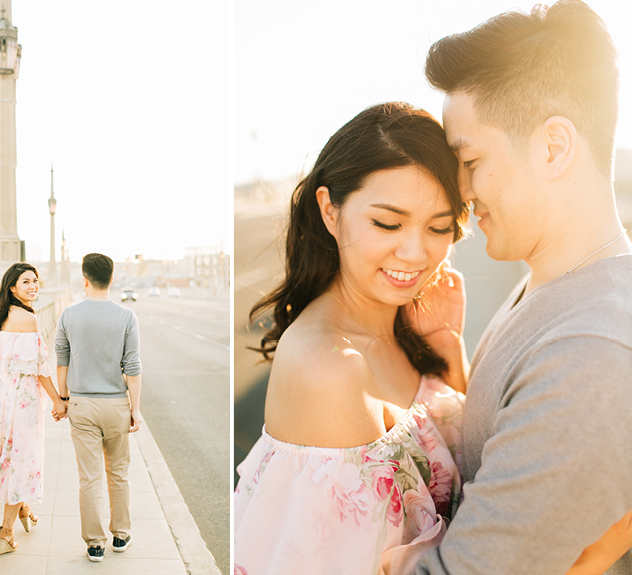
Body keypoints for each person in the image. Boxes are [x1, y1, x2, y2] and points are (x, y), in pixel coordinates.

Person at [412, 1, 632, 573]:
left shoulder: (592, 351)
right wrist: (451, 361)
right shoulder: (551, 280)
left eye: (470, 160)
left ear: (554, 147)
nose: (460, 191)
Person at [234, 102, 472, 575]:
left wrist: (447, 350)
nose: (415, 252)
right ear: (330, 210)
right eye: (387, 223)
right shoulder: (329, 367)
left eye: (439, 227)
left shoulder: (407, 322)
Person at [55, 253, 143, 563]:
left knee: (89, 478)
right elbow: (132, 367)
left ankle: (95, 543)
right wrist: (136, 408)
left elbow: (62, 361)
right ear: (111, 278)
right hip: (116, 404)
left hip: (82, 404)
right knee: (118, 473)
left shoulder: (68, 315)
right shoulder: (126, 317)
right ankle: (120, 535)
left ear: (85, 279)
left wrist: (64, 400)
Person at [0, 263, 68, 554]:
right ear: (12, 287)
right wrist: (57, 400)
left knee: (8, 452)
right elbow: (39, 367)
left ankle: (24, 508)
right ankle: (5, 532)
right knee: (21, 458)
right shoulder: (28, 318)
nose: (33, 286)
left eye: (35, 281)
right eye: (26, 282)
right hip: (18, 395)